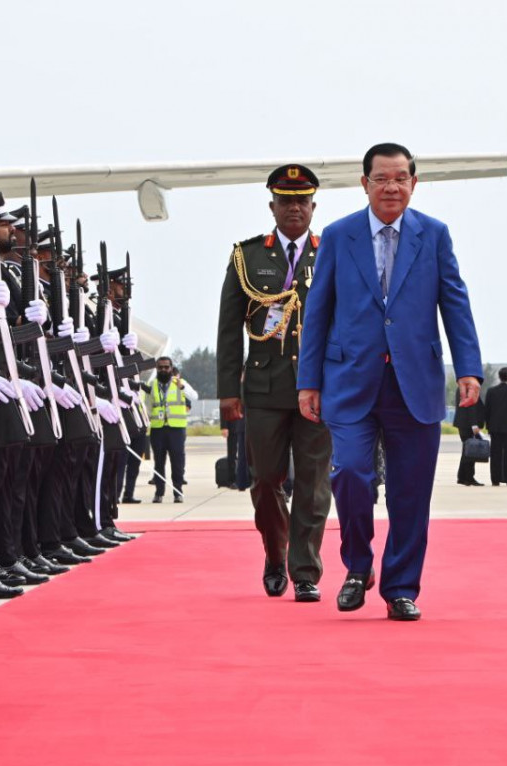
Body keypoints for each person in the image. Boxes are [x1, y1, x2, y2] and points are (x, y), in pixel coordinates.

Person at [298, 142, 482, 621]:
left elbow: (454, 304)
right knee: (352, 473)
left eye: (401, 177)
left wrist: (469, 369)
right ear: (364, 183)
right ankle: (358, 566)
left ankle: (401, 586)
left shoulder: (434, 235)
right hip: (349, 380)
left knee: (410, 490)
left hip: (414, 381)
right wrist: (308, 380)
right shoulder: (339, 237)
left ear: (414, 182)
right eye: (381, 178)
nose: (392, 187)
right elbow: (317, 312)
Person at [217, 164, 334, 602]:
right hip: (264, 390)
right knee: (265, 479)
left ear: (313, 206)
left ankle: (305, 570)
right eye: (286, 201)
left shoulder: (331, 253)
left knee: (313, 482)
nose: (294, 209)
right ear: (272, 205)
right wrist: (229, 390)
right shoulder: (248, 256)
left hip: (318, 388)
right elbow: (228, 328)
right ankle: (274, 552)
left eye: (302, 201)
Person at [146, 356, 189, 503]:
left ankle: (178, 491)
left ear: (171, 368)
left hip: (176, 429)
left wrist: (182, 387)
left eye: (166, 367)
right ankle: (159, 492)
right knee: (159, 462)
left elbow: (193, 396)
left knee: (177, 461)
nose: (163, 370)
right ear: (157, 369)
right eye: (160, 367)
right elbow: (148, 406)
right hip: (158, 429)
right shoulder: (152, 384)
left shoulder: (179, 384)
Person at [484, 366, 507, 485]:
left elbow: (487, 410)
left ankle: (495, 479)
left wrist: (488, 425)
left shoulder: (491, 391)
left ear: (499, 377)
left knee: (495, 454)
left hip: (494, 427)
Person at [453, 385, 486, 486]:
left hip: (463, 423)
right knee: (470, 451)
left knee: (466, 451)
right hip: (467, 424)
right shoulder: (469, 388)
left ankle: (462, 476)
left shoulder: (462, 386)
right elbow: (470, 406)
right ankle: (468, 477)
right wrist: (474, 424)